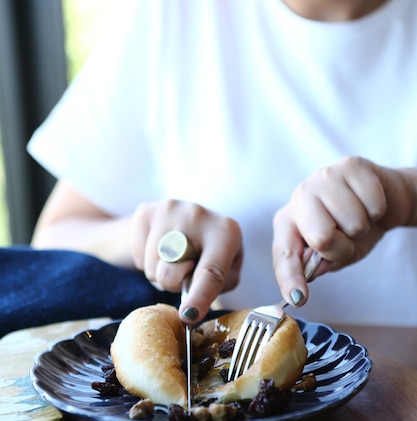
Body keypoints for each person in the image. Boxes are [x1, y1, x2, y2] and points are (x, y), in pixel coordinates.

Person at [28, 0, 417, 327]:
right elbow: (53, 241)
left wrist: (406, 197)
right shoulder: (176, 14)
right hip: (233, 407)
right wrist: (158, 239)